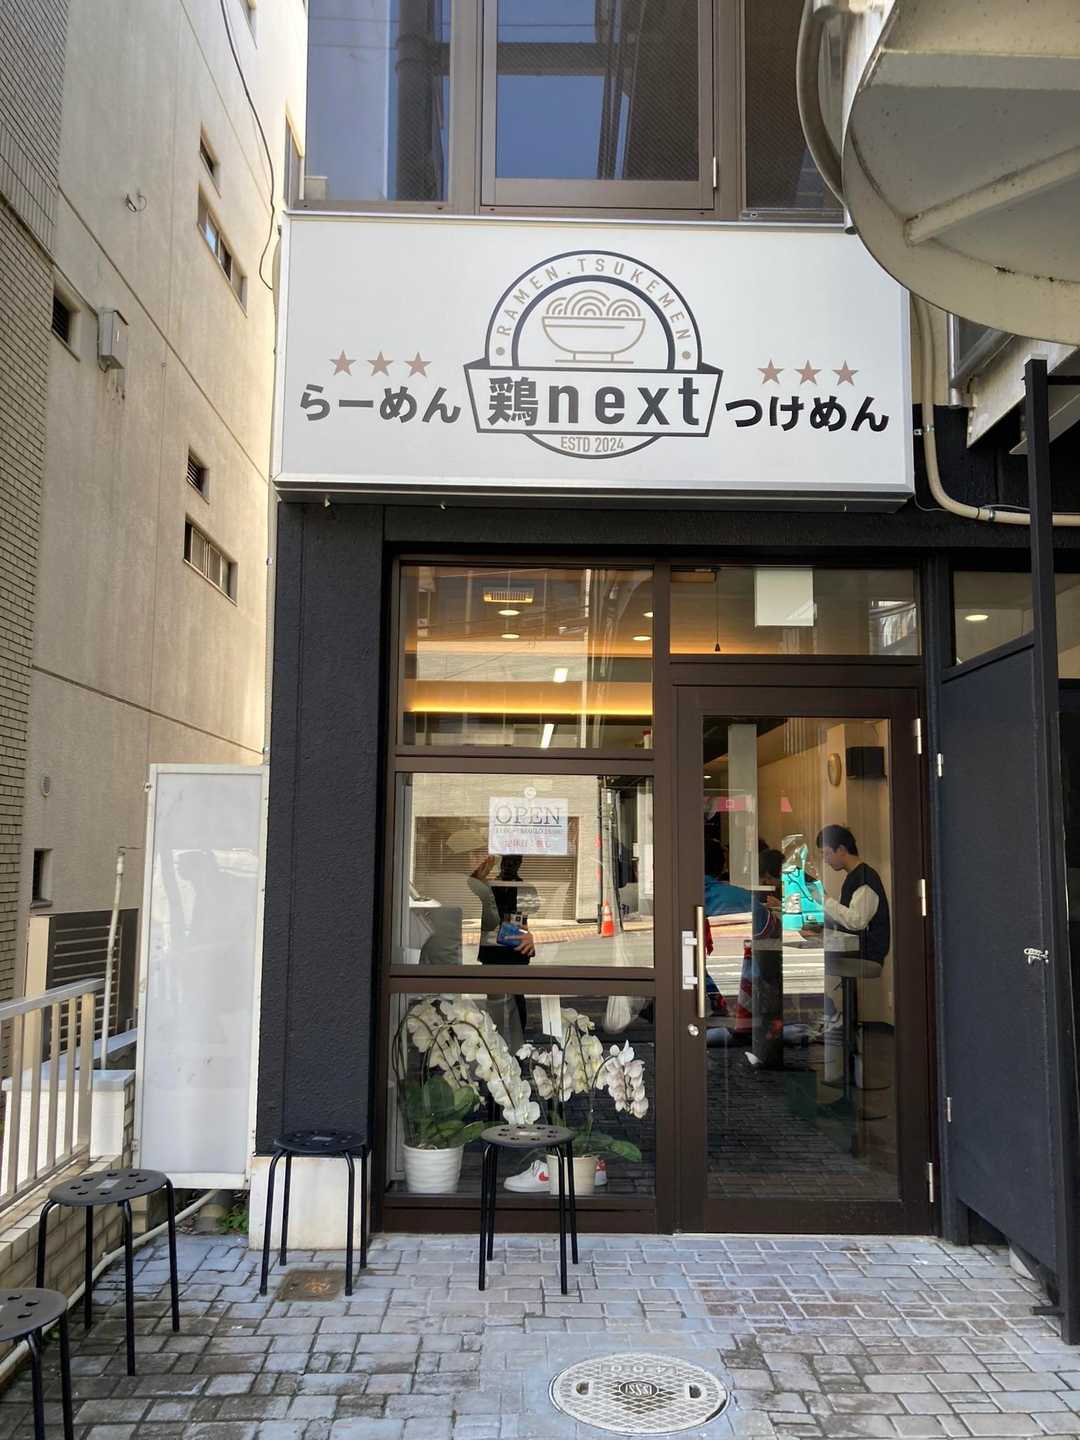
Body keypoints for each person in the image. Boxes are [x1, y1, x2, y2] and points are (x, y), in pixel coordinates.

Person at [813, 824, 890, 964]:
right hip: (854, 950)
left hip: (866, 956)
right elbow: (844, 918)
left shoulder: (865, 878)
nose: (825, 860)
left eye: (827, 853)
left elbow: (856, 921)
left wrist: (825, 900)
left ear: (841, 850)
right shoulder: (854, 877)